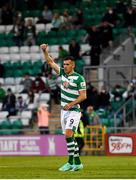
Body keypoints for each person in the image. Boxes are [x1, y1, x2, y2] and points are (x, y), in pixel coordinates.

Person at [40, 44, 87, 171]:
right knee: (69, 137)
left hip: (74, 111)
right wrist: (45, 51)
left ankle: (71, 162)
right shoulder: (63, 74)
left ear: (73, 65)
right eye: (64, 64)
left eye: (67, 64)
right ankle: (76, 163)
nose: (65, 66)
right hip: (64, 112)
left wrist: (71, 104)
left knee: (68, 135)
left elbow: (83, 96)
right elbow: (50, 62)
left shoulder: (79, 78)